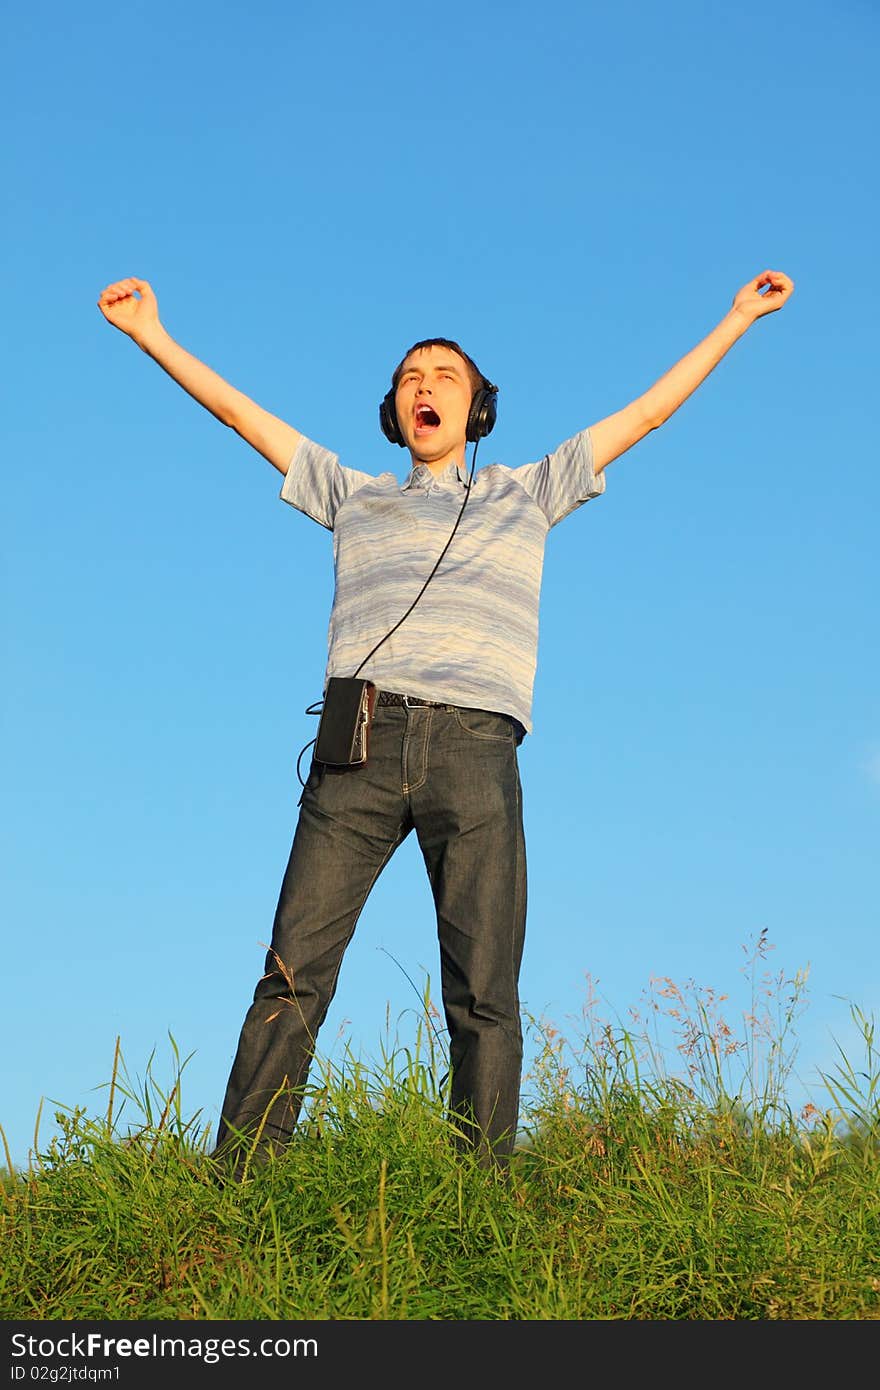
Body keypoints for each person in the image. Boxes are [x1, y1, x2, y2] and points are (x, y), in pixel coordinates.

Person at [96, 268, 794, 1175]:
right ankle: (237, 1181)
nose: (424, 386)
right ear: (394, 412)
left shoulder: (529, 492)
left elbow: (648, 413)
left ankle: (480, 1195)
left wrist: (736, 318)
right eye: (409, 378)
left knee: (484, 990)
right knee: (294, 970)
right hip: (359, 749)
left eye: (445, 378)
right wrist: (152, 334)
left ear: (477, 412)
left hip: (476, 750)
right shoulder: (352, 495)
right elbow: (242, 417)